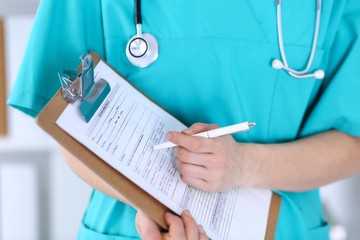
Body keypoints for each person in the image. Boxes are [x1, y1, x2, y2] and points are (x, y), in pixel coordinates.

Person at [7, 0, 360, 239]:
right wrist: (151, 205)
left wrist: (245, 166)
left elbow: (353, 143)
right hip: (138, 229)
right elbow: (66, 120)